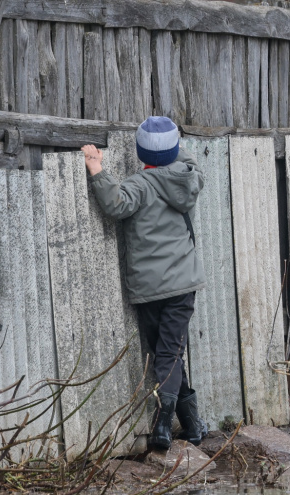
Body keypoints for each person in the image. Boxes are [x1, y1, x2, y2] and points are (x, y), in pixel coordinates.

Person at [81, 116, 208, 450]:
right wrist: (173, 149)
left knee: (164, 353)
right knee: (170, 353)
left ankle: (163, 424)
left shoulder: (139, 185)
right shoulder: (189, 177)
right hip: (183, 284)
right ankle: (193, 426)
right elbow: (185, 158)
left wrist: (96, 168)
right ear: (175, 149)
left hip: (149, 287)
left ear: (140, 153)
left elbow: (114, 204)